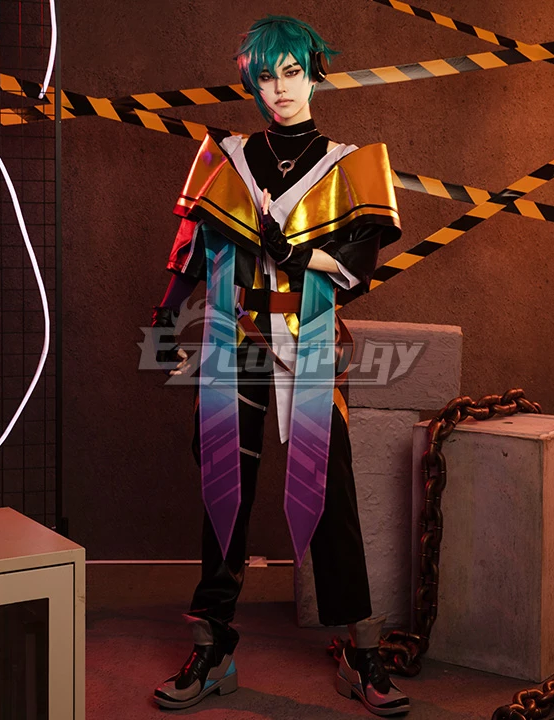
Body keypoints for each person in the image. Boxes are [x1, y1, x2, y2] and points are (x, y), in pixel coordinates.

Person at [151, 15, 409, 717]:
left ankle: (360, 650)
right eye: (266, 76)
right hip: (233, 341)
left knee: (332, 494)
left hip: (309, 340)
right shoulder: (228, 157)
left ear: (314, 73)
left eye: (292, 72)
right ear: (252, 82)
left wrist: (295, 253)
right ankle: (213, 647)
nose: (280, 88)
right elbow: (191, 246)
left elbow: (358, 262)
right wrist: (167, 315)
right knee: (224, 491)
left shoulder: (349, 164)